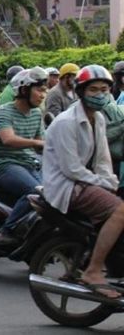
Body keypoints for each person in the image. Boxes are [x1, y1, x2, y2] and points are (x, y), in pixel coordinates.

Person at [43, 65, 124, 299]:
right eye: (94, 90)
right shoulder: (66, 122)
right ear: (81, 92)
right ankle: (93, 270)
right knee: (120, 211)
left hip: (84, 181)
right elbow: (72, 169)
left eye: (105, 90)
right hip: (67, 186)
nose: (100, 95)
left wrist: (110, 181)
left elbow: (102, 159)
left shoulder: (97, 118)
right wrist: (102, 183)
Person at [0, 67, 47, 246]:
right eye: (39, 90)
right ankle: (7, 230)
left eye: (45, 90)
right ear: (24, 90)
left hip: (29, 163)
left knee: (52, 193)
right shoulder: (4, 112)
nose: (43, 95)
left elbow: (40, 144)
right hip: (5, 165)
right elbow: (9, 139)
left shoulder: (37, 113)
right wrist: (37, 144)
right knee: (35, 192)